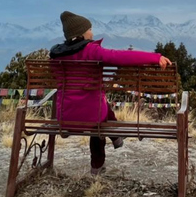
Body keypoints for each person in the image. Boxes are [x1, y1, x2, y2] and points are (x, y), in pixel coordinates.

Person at [49, 11, 172, 175]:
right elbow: (122, 56)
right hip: (92, 116)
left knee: (97, 105)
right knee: (98, 120)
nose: (92, 33)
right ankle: (98, 166)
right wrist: (154, 57)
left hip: (65, 116)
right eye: (90, 29)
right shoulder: (91, 51)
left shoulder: (56, 56)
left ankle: (116, 138)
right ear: (82, 33)